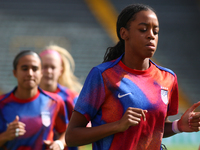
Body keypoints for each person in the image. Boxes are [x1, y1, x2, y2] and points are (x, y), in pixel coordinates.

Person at [65, 3, 200, 150]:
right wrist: (117, 125)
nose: (151, 35)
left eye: (156, 31)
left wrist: (178, 126)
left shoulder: (168, 78)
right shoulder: (103, 75)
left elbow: (155, 129)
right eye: (143, 29)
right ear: (124, 34)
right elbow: (71, 137)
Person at [0, 50, 68, 150]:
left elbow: (66, 131)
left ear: (41, 73)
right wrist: (5, 136)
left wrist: (59, 144)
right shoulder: (2, 103)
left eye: (35, 69)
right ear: (15, 73)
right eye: (24, 69)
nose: (30, 73)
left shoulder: (54, 101)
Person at [39, 45, 82, 150]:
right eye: (44, 66)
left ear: (60, 70)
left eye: (52, 67)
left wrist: (60, 143)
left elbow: (85, 127)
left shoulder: (71, 97)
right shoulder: (29, 96)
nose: (48, 71)